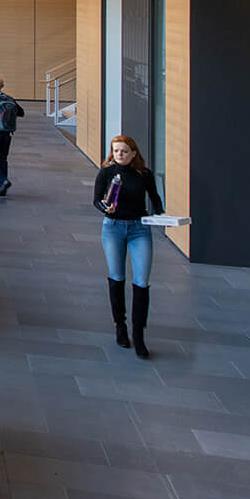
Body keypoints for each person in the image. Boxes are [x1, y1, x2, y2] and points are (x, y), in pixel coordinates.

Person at [97, 134, 163, 359]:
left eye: (124, 151)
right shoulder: (106, 173)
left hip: (139, 229)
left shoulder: (144, 174)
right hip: (113, 228)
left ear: (134, 153)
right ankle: (120, 327)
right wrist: (105, 208)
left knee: (142, 282)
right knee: (117, 277)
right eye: (116, 151)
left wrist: (161, 215)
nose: (120, 155)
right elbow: (96, 199)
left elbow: (154, 198)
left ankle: (139, 335)